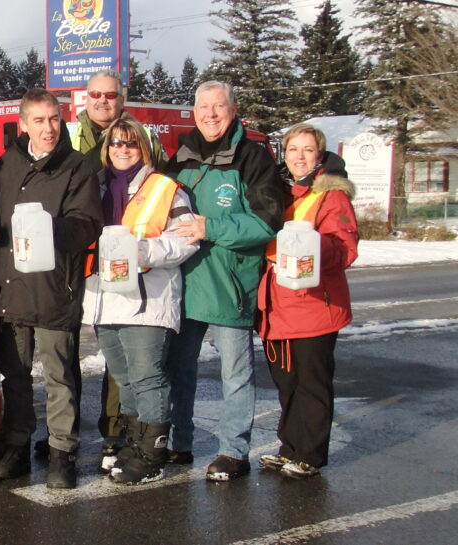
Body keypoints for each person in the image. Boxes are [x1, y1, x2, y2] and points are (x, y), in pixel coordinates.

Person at [163, 81, 285, 481]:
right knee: (179, 370)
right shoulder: (179, 157)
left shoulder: (253, 158)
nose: (211, 114)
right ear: (193, 111)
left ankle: (234, 451)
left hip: (229, 284)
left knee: (235, 373)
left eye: (219, 107)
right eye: (203, 107)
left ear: (234, 110)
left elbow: (267, 220)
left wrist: (210, 227)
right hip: (183, 283)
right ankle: (180, 442)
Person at [0, 88, 101, 489]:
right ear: (23, 125)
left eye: (54, 119)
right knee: (17, 377)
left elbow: (87, 224)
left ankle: (62, 452)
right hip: (13, 289)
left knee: (59, 379)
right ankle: (18, 444)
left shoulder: (77, 167)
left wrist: (45, 228)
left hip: (58, 289)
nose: (48, 128)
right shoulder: (6, 167)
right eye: (39, 120)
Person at [81, 117, 199, 484]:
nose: (122, 149)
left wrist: (142, 251)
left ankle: (153, 454)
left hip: (148, 300)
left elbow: (187, 239)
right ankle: (135, 444)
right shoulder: (95, 186)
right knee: (124, 378)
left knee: (147, 378)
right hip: (105, 299)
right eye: (115, 143)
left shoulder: (166, 188)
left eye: (130, 143)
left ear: (144, 148)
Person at [66, 69, 168, 468]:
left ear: (121, 99)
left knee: (128, 363)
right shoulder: (70, 135)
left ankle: (119, 433)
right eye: (95, 94)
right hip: (86, 263)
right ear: (84, 99)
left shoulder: (147, 139)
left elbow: (163, 193)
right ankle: (68, 434)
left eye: (110, 95)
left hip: (138, 275)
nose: (103, 101)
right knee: (75, 352)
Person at [256, 123, 358, 479]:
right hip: (277, 306)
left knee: (312, 383)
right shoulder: (282, 192)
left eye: (307, 150)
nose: (299, 157)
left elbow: (344, 248)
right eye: (293, 149)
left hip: (314, 305)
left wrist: (310, 245)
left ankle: (311, 454)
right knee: (287, 382)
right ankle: (290, 447)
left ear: (320, 155)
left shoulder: (331, 196)